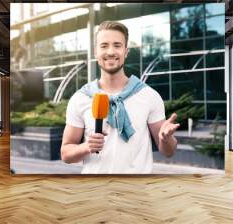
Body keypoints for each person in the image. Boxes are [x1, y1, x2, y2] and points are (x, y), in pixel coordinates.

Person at [61, 21, 179, 174]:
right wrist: (86, 147)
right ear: (95, 52)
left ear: (126, 51)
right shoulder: (80, 98)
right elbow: (66, 154)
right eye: (104, 46)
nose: (110, 51)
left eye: (117, 45)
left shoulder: (148, 95)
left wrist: (165, 139)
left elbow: (168, 151)